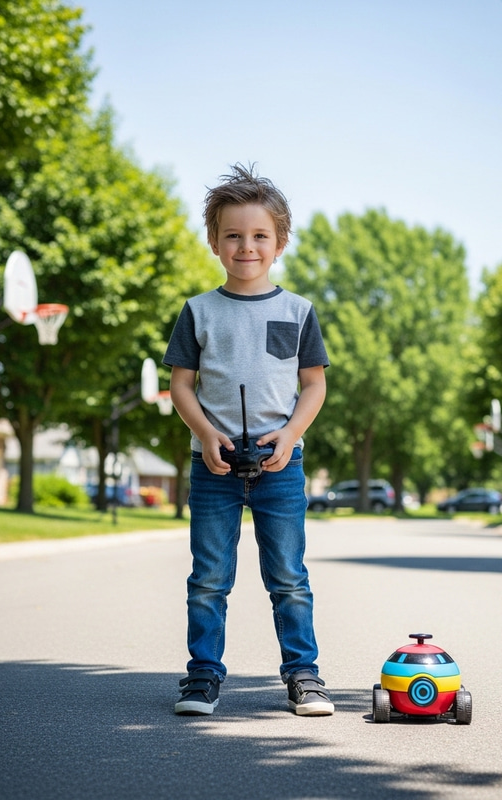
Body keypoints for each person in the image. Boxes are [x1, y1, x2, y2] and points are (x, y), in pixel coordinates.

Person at [162, 163, 333, 717]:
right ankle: (202, 677)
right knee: (209, 577)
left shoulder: (298, 311)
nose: (246, 246)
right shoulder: (198, 312)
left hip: (279, 462)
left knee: (288, 576)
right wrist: (205, 433)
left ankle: (304, 676)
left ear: (279, 242)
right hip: (213, 465)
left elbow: (314, 385)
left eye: (259, 235)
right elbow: (180, 385)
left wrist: (290, 434)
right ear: (214, 242)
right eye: (232, 235)